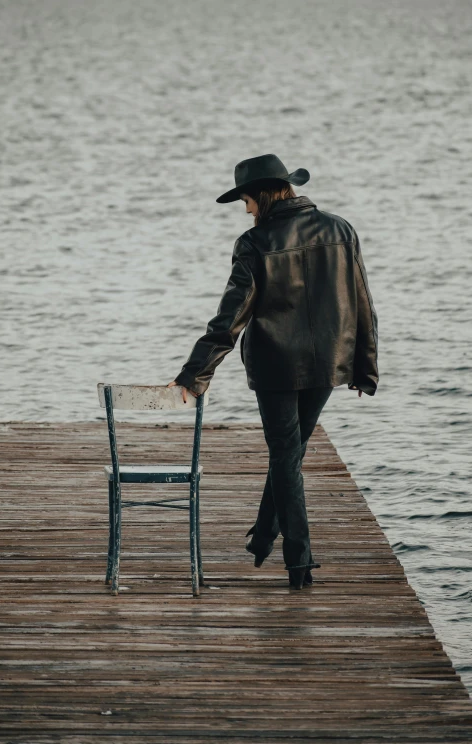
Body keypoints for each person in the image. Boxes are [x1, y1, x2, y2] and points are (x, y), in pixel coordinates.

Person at [167, 153, 378, 589]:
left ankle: (298, 559)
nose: (244, 209)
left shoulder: (255, 242)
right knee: (290, 453)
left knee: (286, 454)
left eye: (245, 199)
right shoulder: (340, 230)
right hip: (327, 364)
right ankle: (264, 536)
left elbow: (230, 318)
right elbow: (363, 303)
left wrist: (193, 374)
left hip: (277, 367)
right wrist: (364, 367)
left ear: (261, 195)